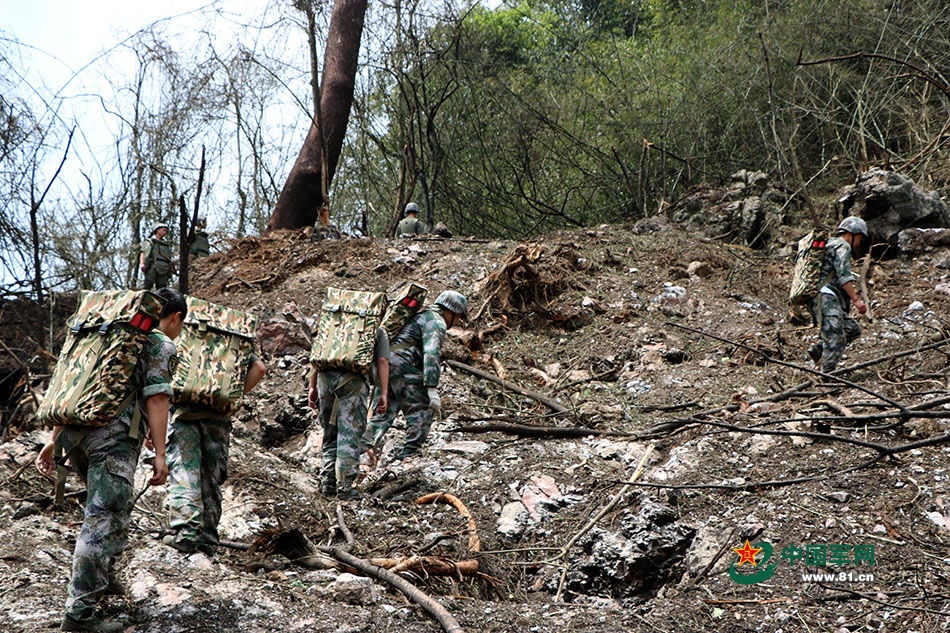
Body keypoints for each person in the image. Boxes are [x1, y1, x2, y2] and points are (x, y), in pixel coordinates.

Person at [35, 287, 187, 633]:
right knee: (101, 520)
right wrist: (161, 454)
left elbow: (72, 387)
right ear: (175, 316)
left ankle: (102, 577)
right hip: (112, 440)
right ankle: (80, 616)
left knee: (106, 512)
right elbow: (158, 400)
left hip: (77, 435)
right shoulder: (160, 343)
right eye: (180, 324)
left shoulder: (106, 336)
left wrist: (53, 440)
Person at [163, 355, 266, 555]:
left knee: (185, 467)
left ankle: (187, 533)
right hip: (218, 413)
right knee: (211, 473)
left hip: (182, 411)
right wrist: (232, 396)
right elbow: (259, 368)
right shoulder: (232, 332)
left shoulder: (186, 331)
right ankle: (208, 537)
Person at [361, 290, 467, 463]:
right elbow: (431, 354)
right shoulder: (436, 322)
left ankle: (351, 451)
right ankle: (409, 455)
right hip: (402, 365)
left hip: (385, 366)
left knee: (382, 415)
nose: (456, 323)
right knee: (423, 408)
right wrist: (431, 388)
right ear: (452, 312)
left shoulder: (420, 315)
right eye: (458, 318)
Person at [307, 328, 389, 500]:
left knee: (330, 434)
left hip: (324, 379)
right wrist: (383, 393)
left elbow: (317, 353)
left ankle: (327, 483)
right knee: (349, 436)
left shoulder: (333, 320)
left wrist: (312, 387)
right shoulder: (376, 328)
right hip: (353, 382)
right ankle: (346, 489)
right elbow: (382, 361)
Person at [807, 216, 868, 372]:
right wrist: (856, 300)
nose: (859, 242)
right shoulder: (842, 246)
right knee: (836, 337)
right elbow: (844, 276)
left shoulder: (829, 244)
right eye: (860, 237)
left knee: (852, 328)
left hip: (819, 297)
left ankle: (820, 350)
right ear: (853, 233)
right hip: (825, 296)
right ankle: (827, 377)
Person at [140, 222, 175, 290]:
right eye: (163, 230)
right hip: (152, 266)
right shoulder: (150, 242)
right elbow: (143, 252)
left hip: (163, 267)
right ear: (157, 230)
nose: (165, 232)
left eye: (166, 231)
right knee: (148, 284)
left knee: (162, 288)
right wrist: (142, 263)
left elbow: (169, 258)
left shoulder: (166, 245)